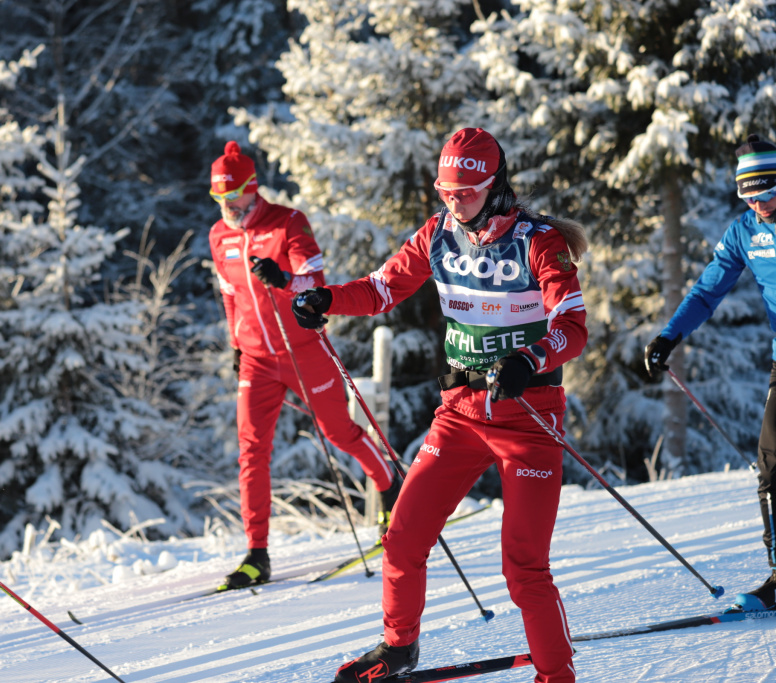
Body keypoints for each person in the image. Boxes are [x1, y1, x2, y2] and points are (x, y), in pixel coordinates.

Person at [293, 127, 589, 683]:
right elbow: (384, 288)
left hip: (528, 416)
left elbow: (571, 327)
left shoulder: (538, 242)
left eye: (467, 192)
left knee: (524, 569)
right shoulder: (439, 234)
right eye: (446, 192)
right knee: (402, 538)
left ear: (495, 185)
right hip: (458, 413)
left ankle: (557, 677)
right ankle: (398, 647)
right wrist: (327, 298)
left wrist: (530, 358)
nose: (455, 203)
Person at [207, 140, 401, 590]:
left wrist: (284, 280)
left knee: (339, 432)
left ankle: (389, 484)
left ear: (253, 190)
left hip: (304, 349)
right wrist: (236, 342)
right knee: (251, 449)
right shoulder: (220, 236)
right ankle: (257, 553)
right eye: (220, 201)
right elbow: (230, 294)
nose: (229, 208)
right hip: (256, 358)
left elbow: (315, 281)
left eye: (234, 198)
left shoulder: (288, 222)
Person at [645, 133, 776, 613]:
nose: (760, 203)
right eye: (749, 195)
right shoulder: (745, 231)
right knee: (772, 468)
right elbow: (706, 292)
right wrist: (669, 337)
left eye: (768, 192)